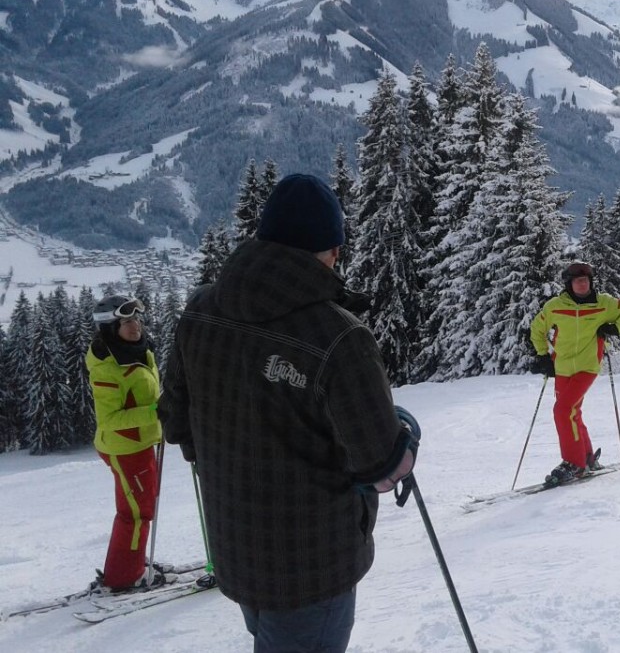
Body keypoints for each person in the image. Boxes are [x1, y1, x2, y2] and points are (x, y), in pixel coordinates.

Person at [160, 173, 417, 653]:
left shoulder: (200, 312)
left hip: (238, 550)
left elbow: (176, 422)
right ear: (330, 250)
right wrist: (406, 435)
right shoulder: (339, 337)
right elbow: (381, 464)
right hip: (312, 566)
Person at [529, 261, 620, 486]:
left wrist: (614, 327)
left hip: (587, 367)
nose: (582, 284)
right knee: (572, 412)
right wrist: (543, 356)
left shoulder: (604, 304)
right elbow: (537, 329)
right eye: (577, 281)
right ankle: (587, 457)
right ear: (569, 284)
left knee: (563, 410)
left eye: (585, 281)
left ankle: (574, 463)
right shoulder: (555, 306)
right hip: (562, 368)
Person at [86, 294, 162, 591]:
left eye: (136, 319)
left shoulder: (138, 351)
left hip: (141, 443)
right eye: (126, 322)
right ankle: (125, 576)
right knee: (136, 513)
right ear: (110, 328)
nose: (135, 326)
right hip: (126, 448)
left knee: (141, 507)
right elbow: (109, 420)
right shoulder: (107, 367)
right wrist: (157, 411)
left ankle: (132, 561)